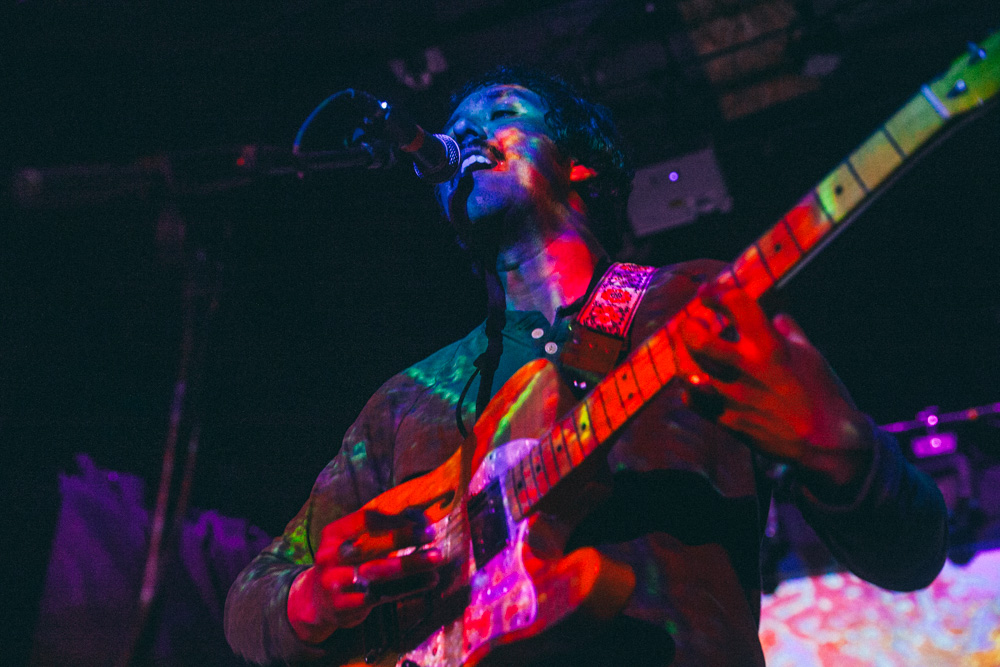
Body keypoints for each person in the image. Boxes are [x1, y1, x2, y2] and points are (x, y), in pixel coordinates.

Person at [225, 67, 947, 666]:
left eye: (502, 112)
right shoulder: (407, 400)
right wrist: (311, 600)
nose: (466, 134)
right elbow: (254, 591)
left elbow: (913, 554)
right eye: (457, 121)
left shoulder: (685, 305)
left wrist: (845, 457)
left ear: (581, 163)